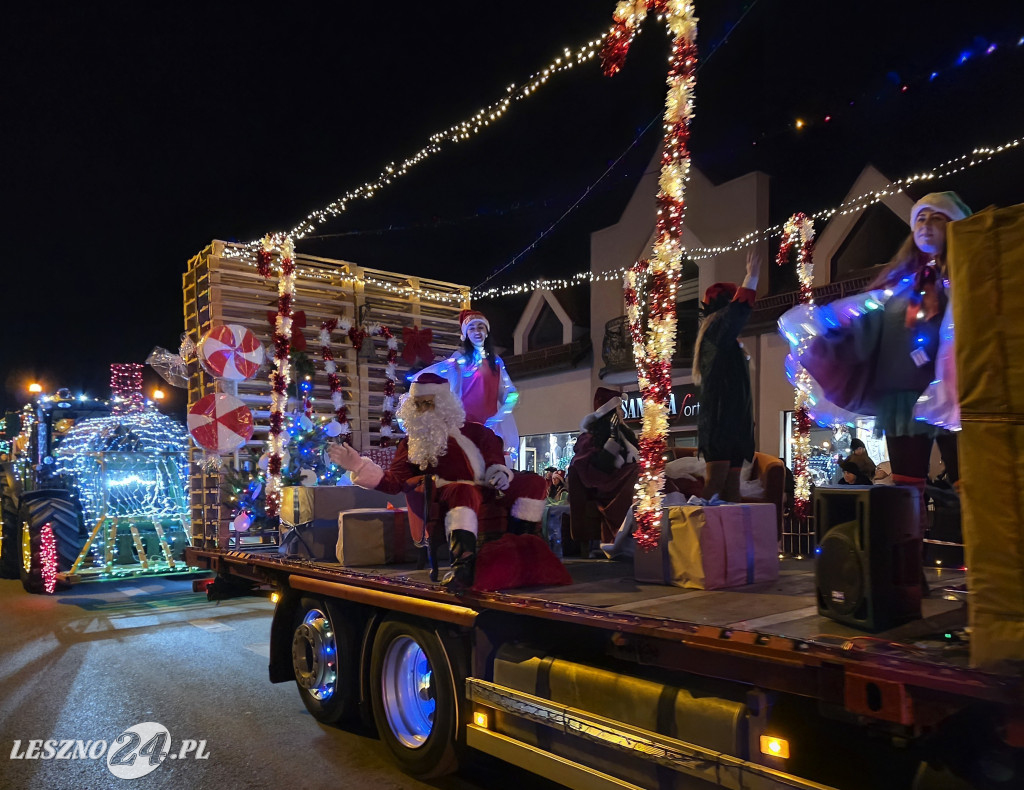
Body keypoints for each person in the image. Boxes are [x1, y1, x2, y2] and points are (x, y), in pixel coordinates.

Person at [781, 192, 970, 527]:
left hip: (959, 395)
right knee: (908, 492)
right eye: (920, 219)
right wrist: (822, 341)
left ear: (955, 225)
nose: (926, 225)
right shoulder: (901, 290)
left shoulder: (969, 281)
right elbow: (865, 328)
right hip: (906, 400)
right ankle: (909, 558)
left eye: (937, 218)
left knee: (972, 485)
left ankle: (986, 553)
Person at [327, 372, 547, 590]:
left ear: (444, 404)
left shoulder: (478, 432)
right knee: (463, 491)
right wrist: (359, 466)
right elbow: (395, 482)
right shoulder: (411, 444)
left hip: (488, 488)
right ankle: (463, 566)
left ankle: (523, 549)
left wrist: (499, 472)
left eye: (428, 403)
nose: (423, 409)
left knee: (533, 482)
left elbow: (493, 457)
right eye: (418, 404)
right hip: (448, 494)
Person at [693, 249, 762, 501]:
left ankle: (725, 528)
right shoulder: (716, 333)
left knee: (731, 488)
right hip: (722, 423)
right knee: (716, 484)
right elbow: (735, 315)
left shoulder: (723, 341)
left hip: (732, 424)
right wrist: (750, 279)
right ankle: (702, 526)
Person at [420, 309, 520, 465]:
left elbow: (508, 392)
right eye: (471, 328)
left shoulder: (496, 362)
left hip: (490, 428)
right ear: (465, 334)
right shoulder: (459, 360)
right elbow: (440, 386)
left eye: (480, 327)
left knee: (493, 465)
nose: (477, 332)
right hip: (464, 427)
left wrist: (500, 414)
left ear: (487, 331)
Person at [566, 387, 639, 556]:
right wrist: (612, 443)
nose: (622, 413)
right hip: (609, 485)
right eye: (618, 409)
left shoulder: (626, 434)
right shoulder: (589, 438)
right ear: (610, 413)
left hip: (625, 477)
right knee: (639, 472)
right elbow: (591, 470)